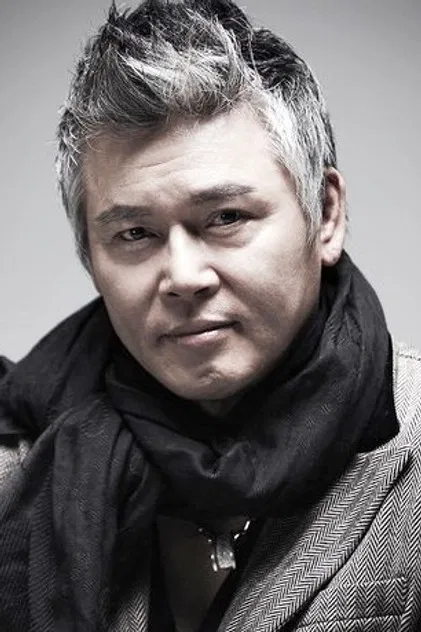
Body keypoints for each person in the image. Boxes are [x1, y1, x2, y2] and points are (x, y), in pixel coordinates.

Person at [0, 0, 420, 630]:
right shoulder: (24, 459)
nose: (184, 277)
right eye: (135, 233)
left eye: (226, 218)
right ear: (89, 252)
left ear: (326, 214)